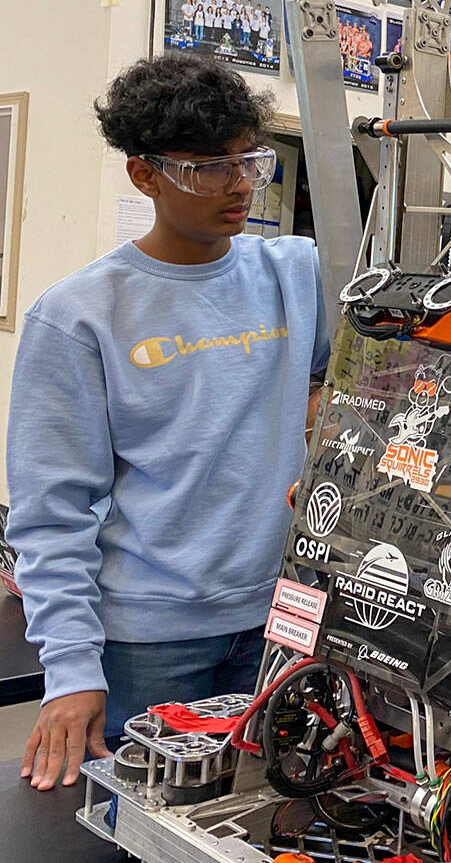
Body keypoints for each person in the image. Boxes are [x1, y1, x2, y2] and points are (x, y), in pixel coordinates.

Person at [7, 54, 330, 792]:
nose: (241, 182)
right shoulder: (79, 316)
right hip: (146, 642)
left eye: (251, 158)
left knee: (264, 819)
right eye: (208, 167)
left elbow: (356, 371)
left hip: (283, 621)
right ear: (144, 176)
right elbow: (51, 513)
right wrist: (70, 668)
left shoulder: (298, 273)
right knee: (147, 829)